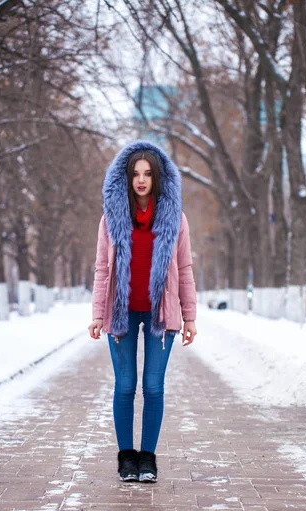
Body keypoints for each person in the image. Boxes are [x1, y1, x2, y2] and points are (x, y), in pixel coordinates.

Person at [88, 140, 197, 483]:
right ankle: (126, 459)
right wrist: (96, 313)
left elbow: (185, 268)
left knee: (153, 387)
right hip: (121, 312)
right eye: (135, 173)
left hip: (159, 314)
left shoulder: (175, 219)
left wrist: (190, 316)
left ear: (157, 178)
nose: (141, 180)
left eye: (147, 174)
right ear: (126, 177)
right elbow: (102, 269)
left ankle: (147, 458)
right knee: (124, 385)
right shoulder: (111, 218)